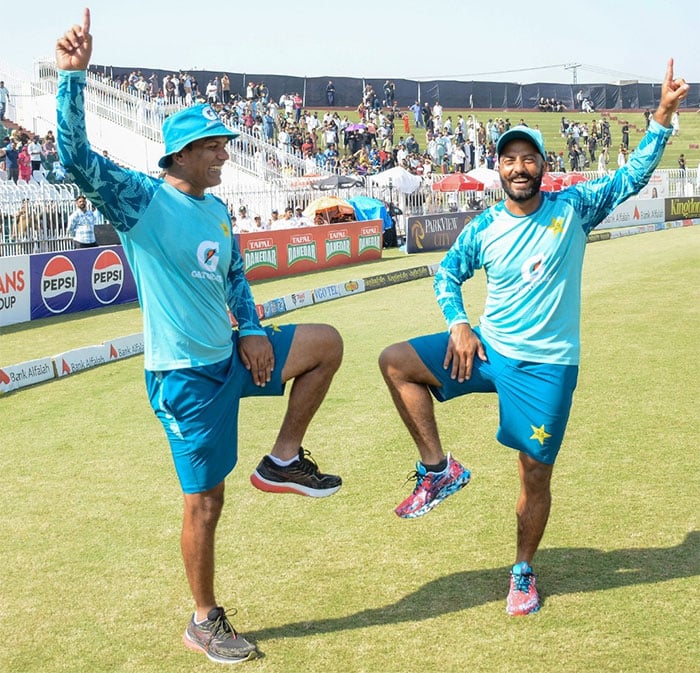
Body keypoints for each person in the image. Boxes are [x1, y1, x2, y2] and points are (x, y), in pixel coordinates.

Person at [56, 9, 344, 665]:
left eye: (224, 144)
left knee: (326, 343)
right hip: (184, 379)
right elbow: (74, 159)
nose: (225, 153)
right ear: (182, 153)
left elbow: (235, 272)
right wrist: (74, 79)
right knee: (205, 504)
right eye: (215, 145)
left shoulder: (217, 207)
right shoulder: (139, 199)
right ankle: (203, 620)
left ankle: (282, 457)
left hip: (234, 355)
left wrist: (252, 329)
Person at [378, 59, 688, 617]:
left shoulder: (573, 209)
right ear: (497, 168)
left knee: (533, 475)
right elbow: (447, 272)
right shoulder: (484, 227)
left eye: (528, 159)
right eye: (509, 160)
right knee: (396, 361)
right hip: (487, 350)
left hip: (547, 367)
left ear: (543, 165)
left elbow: (632, 175)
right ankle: (438, 469)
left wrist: (662, 116)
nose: (519, 168)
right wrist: (459, 322)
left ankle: (522, 570)